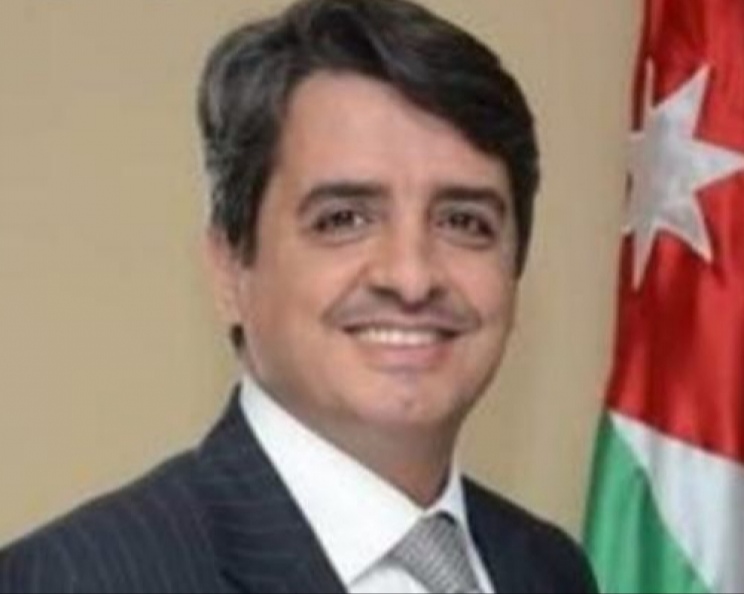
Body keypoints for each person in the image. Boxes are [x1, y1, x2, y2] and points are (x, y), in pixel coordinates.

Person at [0, 0, 598, 592]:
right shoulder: (72, 580)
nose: (412, 277)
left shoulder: (549, 569)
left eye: (464, 222)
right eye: (344, 219)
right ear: (231, 269)